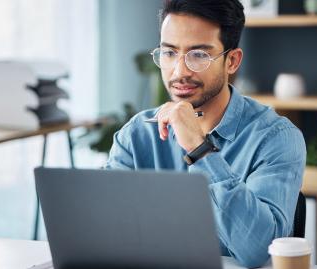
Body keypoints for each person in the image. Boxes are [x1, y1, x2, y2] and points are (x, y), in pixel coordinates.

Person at [105, 0, 306, 267]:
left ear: (231, 61)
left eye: (198, 55)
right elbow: (104, 233)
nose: (180, 71)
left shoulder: (276, 138)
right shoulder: (136, 135)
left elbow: (258, 251)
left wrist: (199, 150)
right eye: (169, 53)